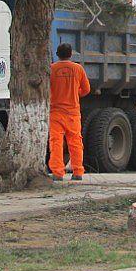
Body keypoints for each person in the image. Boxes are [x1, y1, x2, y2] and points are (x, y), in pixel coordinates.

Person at [48, 43, 90, 182]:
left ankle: (57, 173)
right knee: (75, 142)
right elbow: (86, 89)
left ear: (57, 54)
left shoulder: (52, 69)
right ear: (71, 54)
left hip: (56, 112)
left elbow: (46, 89)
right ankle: (77, 171)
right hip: (73, 112)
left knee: (56, 142)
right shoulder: (78, 69)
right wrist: (75, 93)